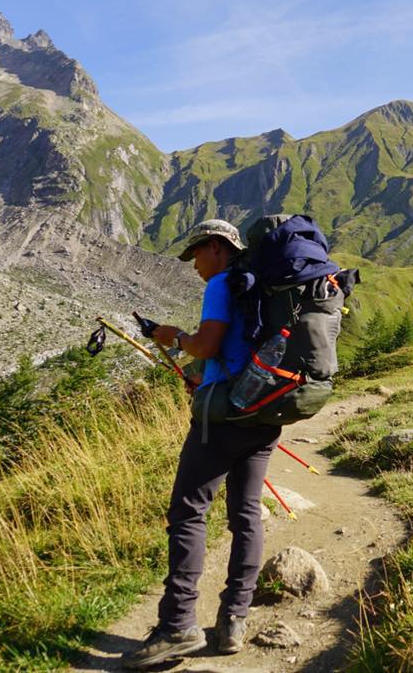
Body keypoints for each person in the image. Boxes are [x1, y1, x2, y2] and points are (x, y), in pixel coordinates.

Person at [120, 219, 281, 669]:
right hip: (265, 412)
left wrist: (173, 337)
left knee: (189, 512)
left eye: (196, 256)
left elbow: (208, 345)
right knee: (246, 515)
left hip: (222, 422)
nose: (194, 267)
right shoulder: (262, 288)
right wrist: (201, 377)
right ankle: (234, 619)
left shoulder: (223, 284)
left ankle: (178, 626)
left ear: (216, 248)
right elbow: (235, 352)